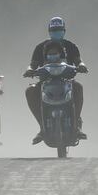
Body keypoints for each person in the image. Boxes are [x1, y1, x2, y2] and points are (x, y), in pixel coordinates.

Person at [24, 16, 88, 144]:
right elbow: (33, 64)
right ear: (49, 31)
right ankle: (42, 126)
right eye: (53, 30)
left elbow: (78, 60)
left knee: (78, 87)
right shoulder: (40, 47)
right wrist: (30, 69)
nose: (56, 32)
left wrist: (81, 66)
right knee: (30, 91)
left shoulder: (71, 46)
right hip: (45, 82)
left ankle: (75, 126)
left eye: (59, 30)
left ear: (64, 31)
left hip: (66, 82)